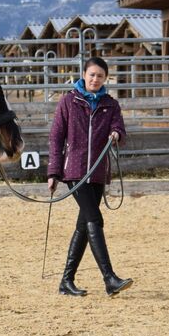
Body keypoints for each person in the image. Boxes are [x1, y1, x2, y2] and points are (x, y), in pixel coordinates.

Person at [47, 56, 133, 297]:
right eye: (92, 74)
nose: (95, 79)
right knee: (94, 219)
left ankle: (66, 281)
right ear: (84, 75)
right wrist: (53, 172)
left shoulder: (110, 104)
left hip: (97, 171)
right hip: (74, 171)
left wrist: (116, 133)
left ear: (106, 79)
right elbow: (56, 137)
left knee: (84, 225)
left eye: (100, 76)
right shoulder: (68, 102)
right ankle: (109, 278)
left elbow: (120, 129)